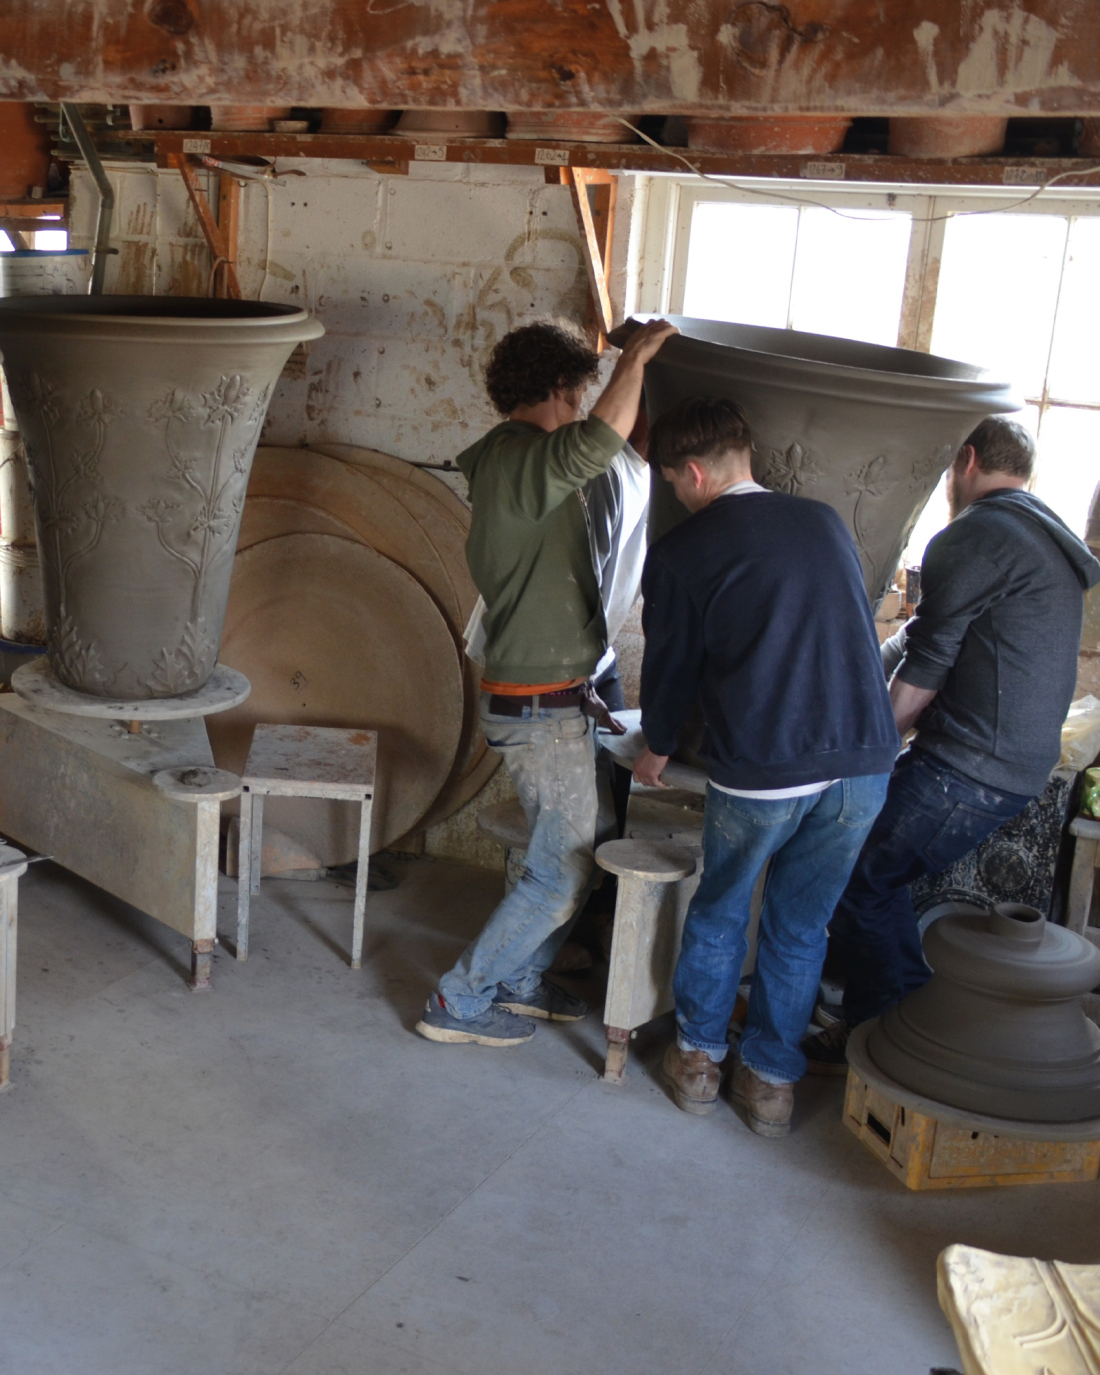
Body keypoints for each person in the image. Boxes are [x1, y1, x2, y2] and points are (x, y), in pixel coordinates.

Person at [632, 396, 898, 1136]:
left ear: (693, 472)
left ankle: (697, 1061)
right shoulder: (823, 520)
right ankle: (772, 1084)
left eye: (675, 485)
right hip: (863, 763)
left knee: (721, 912)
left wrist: (654, 745)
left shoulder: (684, 552)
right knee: (800, 927)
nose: (679, 499)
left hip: (767, 766)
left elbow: (673, 669)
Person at [806, 416, 1100, 1073]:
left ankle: (896, 1038)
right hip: (1015, 766)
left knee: (860, 875)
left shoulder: (973, 535)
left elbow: (925, 670)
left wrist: (862, 755)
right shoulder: (1037, 532)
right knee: (880, 877)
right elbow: (919, 642)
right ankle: (880, 1015)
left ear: (965, 461)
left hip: (969, 767)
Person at [416, 316, 678, 1048]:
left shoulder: (518, 461)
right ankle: (459, 997)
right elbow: (598, 441)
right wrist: (637, 357)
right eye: (583, 389)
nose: (589, 401)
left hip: (551, 699)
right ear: (563, 389)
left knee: (574, 853)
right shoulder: (519, 463)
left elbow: (601, 450)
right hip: (538, 709)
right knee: (561, 871)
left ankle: (520, 981)